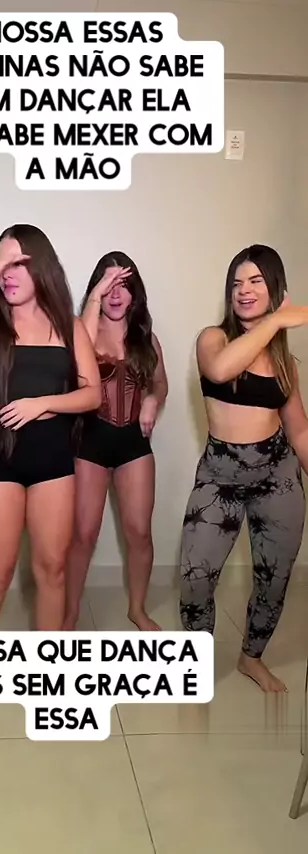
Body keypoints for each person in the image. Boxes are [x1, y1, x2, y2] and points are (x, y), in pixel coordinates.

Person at [0, 224, 101, 707]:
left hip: (52, 462)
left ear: (41, 266)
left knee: (52, 569)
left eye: (17, 262)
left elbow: (92, 395)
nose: (7, 273)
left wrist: (43, 403)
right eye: (0, 263)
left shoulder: (69, 325)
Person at [180, 244, 308, 692]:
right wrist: (276, 321)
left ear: (275, 288)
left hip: (278, 477)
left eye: (255, 281)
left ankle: (252, 658)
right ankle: (194, 667)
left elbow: (299, 431)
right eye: (237, 283)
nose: (244, 290)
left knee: (274, 579)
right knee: (195, 577)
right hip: (220, 478)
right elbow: (219, 370)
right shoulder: (212, 339)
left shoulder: (285, 364)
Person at [64, 252, 168, 631]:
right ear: (97, 289)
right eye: (108, 284)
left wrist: (154, 399)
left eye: (124, 285)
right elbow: (71, 365)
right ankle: (70, 612)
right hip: (88, 442)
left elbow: (160, 383)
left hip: (133, 445)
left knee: (139, 532)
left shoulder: (146, 339)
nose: (116, 294)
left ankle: (137, 608)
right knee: (82, 534)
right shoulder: (82, 331)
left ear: (135, 293)